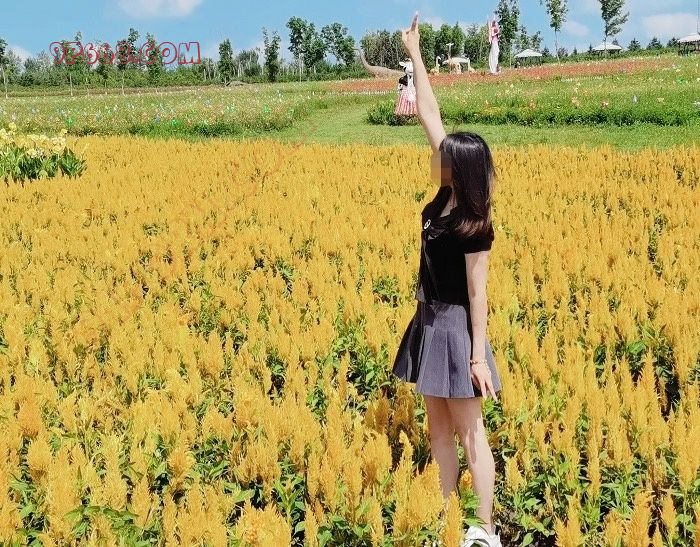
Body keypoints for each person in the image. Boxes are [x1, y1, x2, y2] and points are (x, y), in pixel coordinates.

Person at [391, 12, 504, 547]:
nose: (436, 158)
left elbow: (479, 293)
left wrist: (478, 357)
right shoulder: (443, 199)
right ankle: (446, 520)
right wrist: (415, 54)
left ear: (462, 169)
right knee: (438, 429)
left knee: (470, 432)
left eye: (445, 158)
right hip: (429, 322)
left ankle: (484, 529)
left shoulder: (474, 223)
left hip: (458, 332)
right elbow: (429, 113)